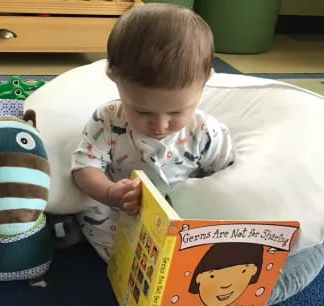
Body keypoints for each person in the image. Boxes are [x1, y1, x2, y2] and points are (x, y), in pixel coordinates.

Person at [71, 3, 234, 262]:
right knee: (94, 218)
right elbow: (83, 167)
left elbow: (227, 176)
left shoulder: (205, 132)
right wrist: (110, 192)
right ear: (113, 78)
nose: (160, 125)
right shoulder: (107, 119)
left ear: (206, 82)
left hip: (180, 214)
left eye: (177, 112)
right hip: (119, 210)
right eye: (143, 112)